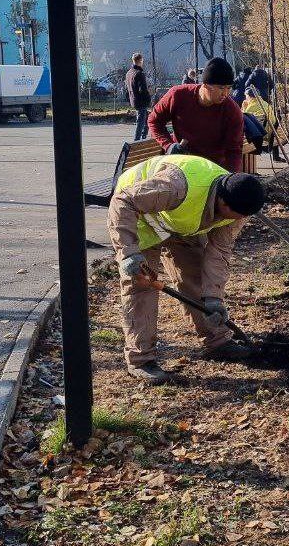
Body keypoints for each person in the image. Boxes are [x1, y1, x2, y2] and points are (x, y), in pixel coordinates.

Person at [109, 153, 266, 382]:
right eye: (237, 215)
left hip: (179, 223)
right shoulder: (176, 186)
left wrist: (214, 298)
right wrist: (128, 252)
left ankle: (217, 341)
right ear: (223, 203)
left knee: (196, 276)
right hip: (138, 219)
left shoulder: (236, 208)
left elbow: (218, 253)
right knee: (142, 287)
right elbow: (123, 201)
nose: (239, 220)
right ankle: (141, 360)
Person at [149, 57, 244, 172]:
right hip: (180, 165)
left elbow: (234, 150)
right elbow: (154, 121)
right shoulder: (178, 95)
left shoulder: (232, 110)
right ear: (205, 85)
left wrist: (230, 178)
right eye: (221, 88)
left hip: (212, 168)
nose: (226, 93)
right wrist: (168, 145)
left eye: (229, 88)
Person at [242, 88, 284, 162]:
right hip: (272, 134)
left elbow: (243, 119)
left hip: (262, 136)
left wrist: (244, 108)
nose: (245, 98)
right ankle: (276, 157)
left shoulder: (252, 106)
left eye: (246, 96)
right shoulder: (265, 103)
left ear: (250, 97)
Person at [125, 52, 152, 140]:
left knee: (146, 119)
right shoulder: (139, 74)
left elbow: (127, 88)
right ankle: (137, 140)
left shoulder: (129, 73)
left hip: (133, 100)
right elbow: (143, 90)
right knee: (140, 121)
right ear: (141, 61)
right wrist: (149, 99)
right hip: (141, 101)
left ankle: (143, 136)